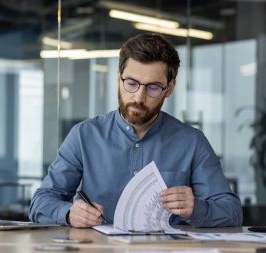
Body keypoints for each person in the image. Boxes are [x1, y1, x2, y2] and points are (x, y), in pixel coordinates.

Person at [29, 33, 243, 228]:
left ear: (169, 88)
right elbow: (41, 201)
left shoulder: (192, 142)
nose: (139, 97)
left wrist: (196, 208)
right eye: (131, 83)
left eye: (153, 87)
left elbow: (232, 211)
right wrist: (68, 213)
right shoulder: (83, 136)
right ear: (118, 77)